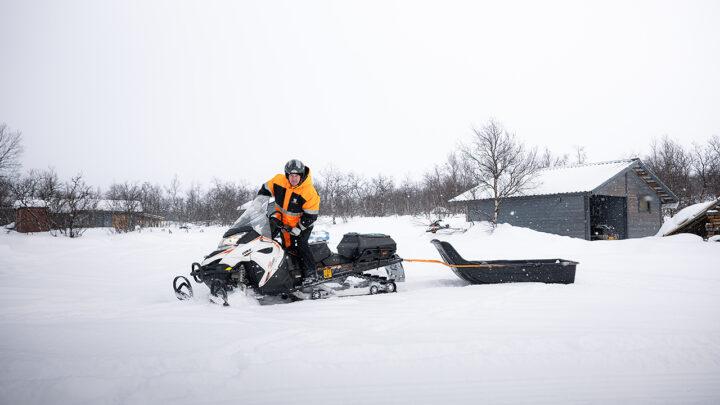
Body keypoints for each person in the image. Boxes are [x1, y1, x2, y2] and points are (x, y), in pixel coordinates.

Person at [257, 159, 320, 285]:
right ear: (287, 175)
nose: (294, 178)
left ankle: (311, 273)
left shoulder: (309, 192)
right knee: (267, 240)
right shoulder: (279, 180)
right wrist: (259, 202)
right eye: (291, 175)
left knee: (301, 245)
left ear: (301, 175)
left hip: (302, 225)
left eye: (297, 175)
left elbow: (311, 216)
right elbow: (265, 189)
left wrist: (299, 228)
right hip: (282, 222)